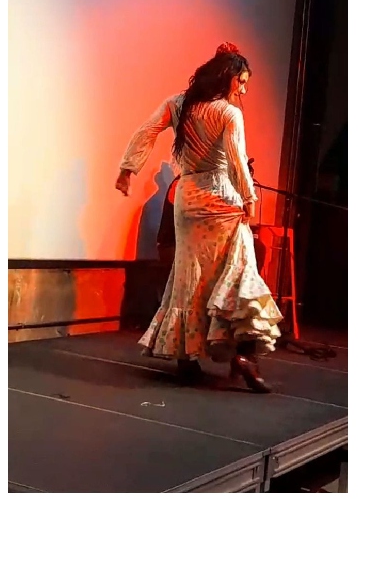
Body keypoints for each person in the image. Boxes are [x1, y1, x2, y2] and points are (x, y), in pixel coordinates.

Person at [116, 43, 282, 393]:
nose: (243, 90)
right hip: (222, 196)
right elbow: (236, 159)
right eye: (241, 82)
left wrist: (128, 169)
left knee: (188, 277)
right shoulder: (228, 113)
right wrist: (249, 197)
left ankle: (186, 359)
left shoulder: (178, 104)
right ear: (226, 77)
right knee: (238, 273)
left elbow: (147, 130)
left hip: (189, 198)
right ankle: (243, 356)